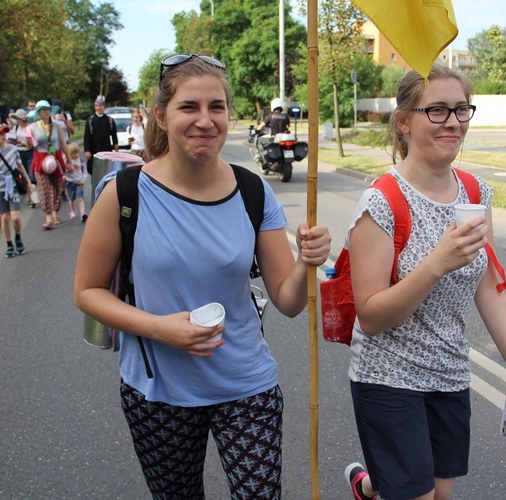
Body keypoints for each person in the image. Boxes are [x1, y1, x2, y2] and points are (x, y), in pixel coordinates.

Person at [73, 53, 331, 498]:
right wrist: (161, 329)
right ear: (161, 115)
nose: (205, 121)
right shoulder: (125, 194)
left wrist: (308, 264)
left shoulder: (253, 191)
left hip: (246, 385)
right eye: (189, 107)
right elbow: (87, 292)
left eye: (217, 107)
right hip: (158, 392)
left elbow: (288, 302)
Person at [343, 65, 506, 500]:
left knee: (439, 492)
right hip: (387, 375)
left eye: (460, 110)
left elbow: (489, 285)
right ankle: (386, 480)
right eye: (436, 110)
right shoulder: (381, 201)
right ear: (404, 121)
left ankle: (372, 484)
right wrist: (436, 263)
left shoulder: (475, 192)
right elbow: (372, 316)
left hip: (450, 372)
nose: (453, 121)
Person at [0, 124, 33, 258]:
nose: (3, 136)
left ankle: (18, 237)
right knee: (4, 218)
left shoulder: (13, 149)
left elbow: (19, 165)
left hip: (13, 186)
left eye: (4, 133)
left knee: (15, 217)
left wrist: (28, 182)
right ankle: (9, 244)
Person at [26, 99, 72, 229]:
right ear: (38, 113)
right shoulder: (33, 127)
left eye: (47, 109)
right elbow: (30, 146)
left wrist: (69, 161)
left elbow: (63, 143)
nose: (46, 112)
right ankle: (48, 217)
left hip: (55, 157)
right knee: (44, 188)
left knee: (56, 186)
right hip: (40, 159)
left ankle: (55, 213)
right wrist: (28, 138)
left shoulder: (57, 125)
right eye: (43, 110)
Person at [83, 96, 118, 175]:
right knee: (95, 173)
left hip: (106, 150)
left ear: (104, 107)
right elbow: (87, 136)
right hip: (94, 151)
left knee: (106, 172)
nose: (98, 108)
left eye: (100, 105)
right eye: (96, 106)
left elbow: (114, 134)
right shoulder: (90, 120)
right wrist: (87, 150)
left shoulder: (109, 120)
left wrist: (116, 145)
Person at [8, 108, 37, 205]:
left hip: (29, 152)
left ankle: (33, 197)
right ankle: (30, 197)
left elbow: (31, 145)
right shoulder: (16, 128)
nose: (17, 120)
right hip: (19, 152)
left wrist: (21, 142)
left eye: (18, 118)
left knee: (31, 175)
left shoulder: (29, 128)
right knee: (23, 176)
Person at [65, 142, 88, 222]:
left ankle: (82, 213)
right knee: (70, 198)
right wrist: (67, 170)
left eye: (76, 153)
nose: (75, 155)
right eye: (73, 154)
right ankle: (72, 211)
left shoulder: (81, 161)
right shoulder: (67, 162)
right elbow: (64, 172)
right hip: (70, 182)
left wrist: (83, 180)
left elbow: (85, 172)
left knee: (80, 198)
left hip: (79, 183)